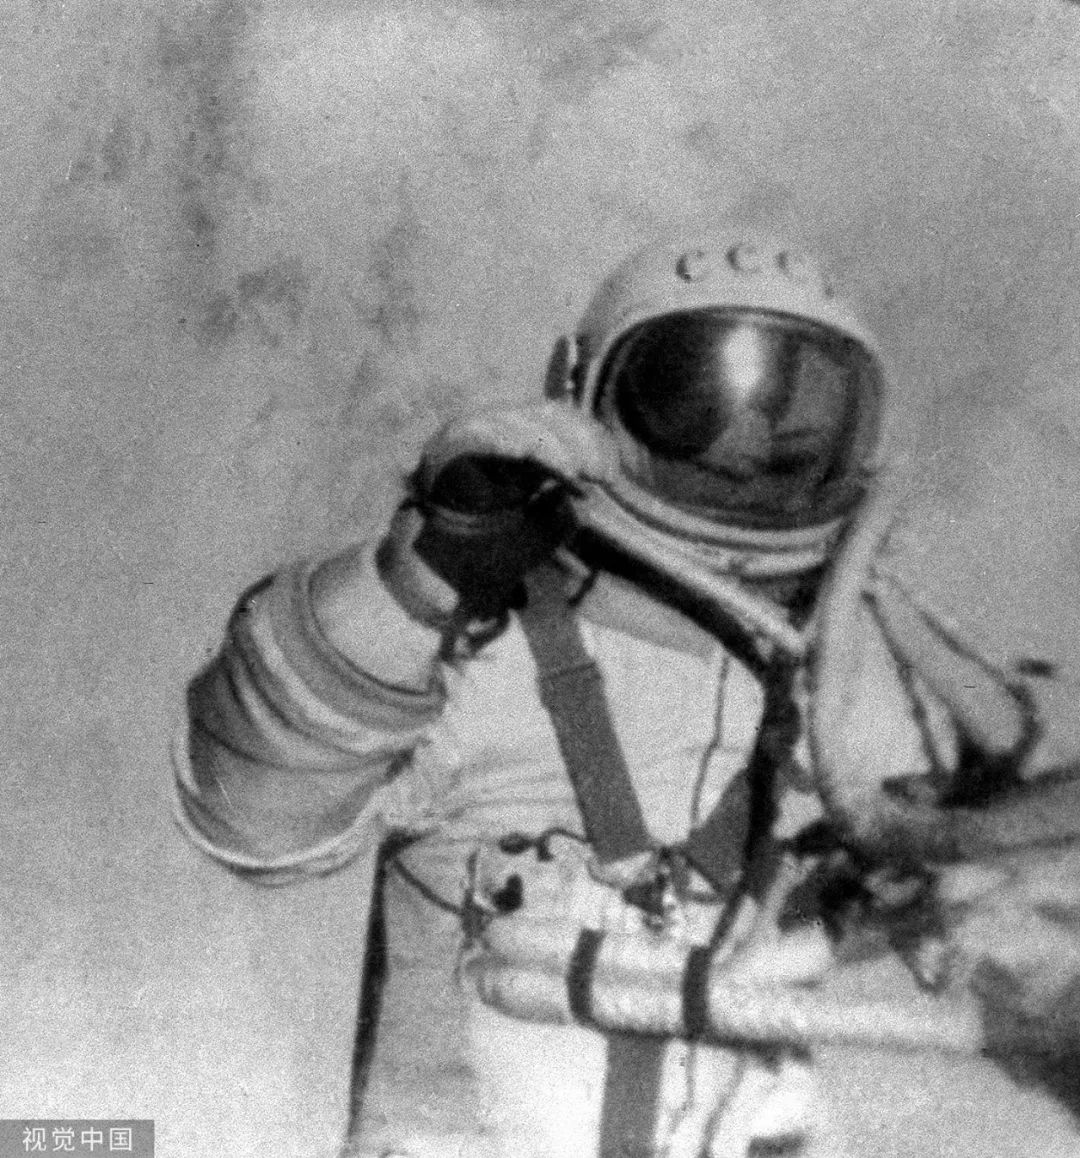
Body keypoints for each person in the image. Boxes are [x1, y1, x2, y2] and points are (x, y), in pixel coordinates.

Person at [174, 230, 1080, 1158]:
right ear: (584, 395)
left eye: (793, 411)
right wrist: (420, 577)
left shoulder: (873, 689)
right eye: (693, 403)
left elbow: (1023, 915)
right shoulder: (468, 649)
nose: (744, 445)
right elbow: (252, 812)